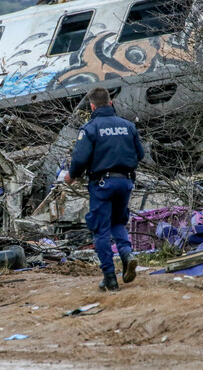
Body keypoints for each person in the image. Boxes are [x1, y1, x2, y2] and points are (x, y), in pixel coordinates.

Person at [65, 87, 145, 291]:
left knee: (100, 230)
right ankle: (127, 254)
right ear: (110, 102)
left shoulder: (90, 128)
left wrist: (72, 176)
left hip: (102, 184)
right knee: (118, 222)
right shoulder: (128, 126)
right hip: (125, 182)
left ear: (92, 106)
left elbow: (80, 158)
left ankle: (109, 277)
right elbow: (141, 154)